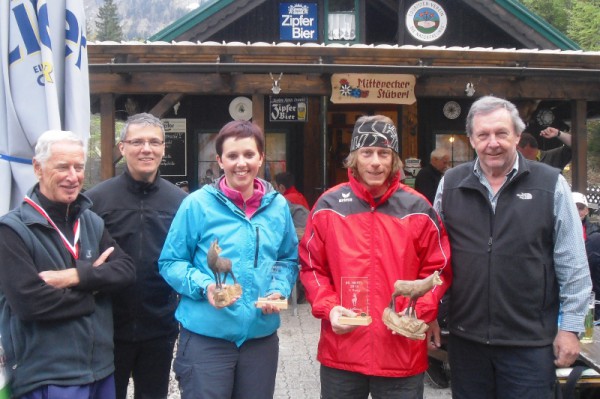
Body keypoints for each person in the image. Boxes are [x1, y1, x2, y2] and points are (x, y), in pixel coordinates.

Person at [434, 96, 592, 398]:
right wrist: (429, 314)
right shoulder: (451, 184)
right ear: (472, 139)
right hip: (467, 341)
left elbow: (573, 263)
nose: (492, 142)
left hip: (529, 344)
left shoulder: (550, 184)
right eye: (483, 135)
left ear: (517, 136)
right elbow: (433, 258)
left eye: (501, 133)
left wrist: (570, 328)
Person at [299, 115, 452, 399]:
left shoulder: (418, 208)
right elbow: (311, 268)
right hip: (342, 351)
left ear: (394, 159)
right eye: (366, 153)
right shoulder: (328, 206)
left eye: (384, 153)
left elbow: (438, 269)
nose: (375, 162)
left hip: (400, 353)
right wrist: (330, 307)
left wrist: (415, 312)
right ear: (354, 158)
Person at [158, 120, 298, 399]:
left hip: (259, 340)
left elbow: (287, 259)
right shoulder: (197, 204)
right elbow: (170, 262)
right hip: (206, 338)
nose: (241, 163)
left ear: (261, 158)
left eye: (248, 154)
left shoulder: (278, 206)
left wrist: (278, 289)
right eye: (232, 156)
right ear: (220, 161)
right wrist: (205, 286)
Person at [0, 130, 135, 399]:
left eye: (79, 167)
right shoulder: (11, 230)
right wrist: (95, 292)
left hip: (101, 369)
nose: (73, 177)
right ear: (38, 168)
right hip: (49, 376)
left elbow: (126, 271)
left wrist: (75, 277)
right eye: (62, 167)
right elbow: (30, 303)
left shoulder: (91, 222)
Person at [86, 113, 188, 399]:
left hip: (160, 327)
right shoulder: (97, 200)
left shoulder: (180, 203)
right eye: (138, 141)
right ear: (122, 148)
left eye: (154, 142)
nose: (147, 148)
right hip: (108, 329)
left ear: (164, 149)